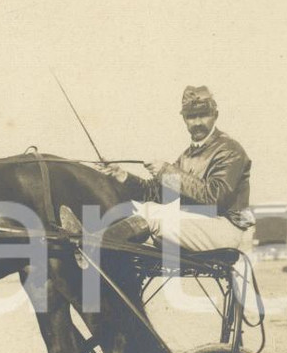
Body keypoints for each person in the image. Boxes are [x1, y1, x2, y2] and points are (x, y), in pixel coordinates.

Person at [62, 85, 255, 253]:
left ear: (215, 115)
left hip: (226, 228)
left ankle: (89, 246)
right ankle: (92, 242)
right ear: (184, 120)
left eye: (203, 115)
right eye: (191, 117)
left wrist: (167, 171)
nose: (197, 122)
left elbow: (215, 197)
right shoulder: (187, 156)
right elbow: (157, 194)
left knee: (151, 216)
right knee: (145, 209)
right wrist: (121, 175)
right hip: (200, 224)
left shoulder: (230, 150)